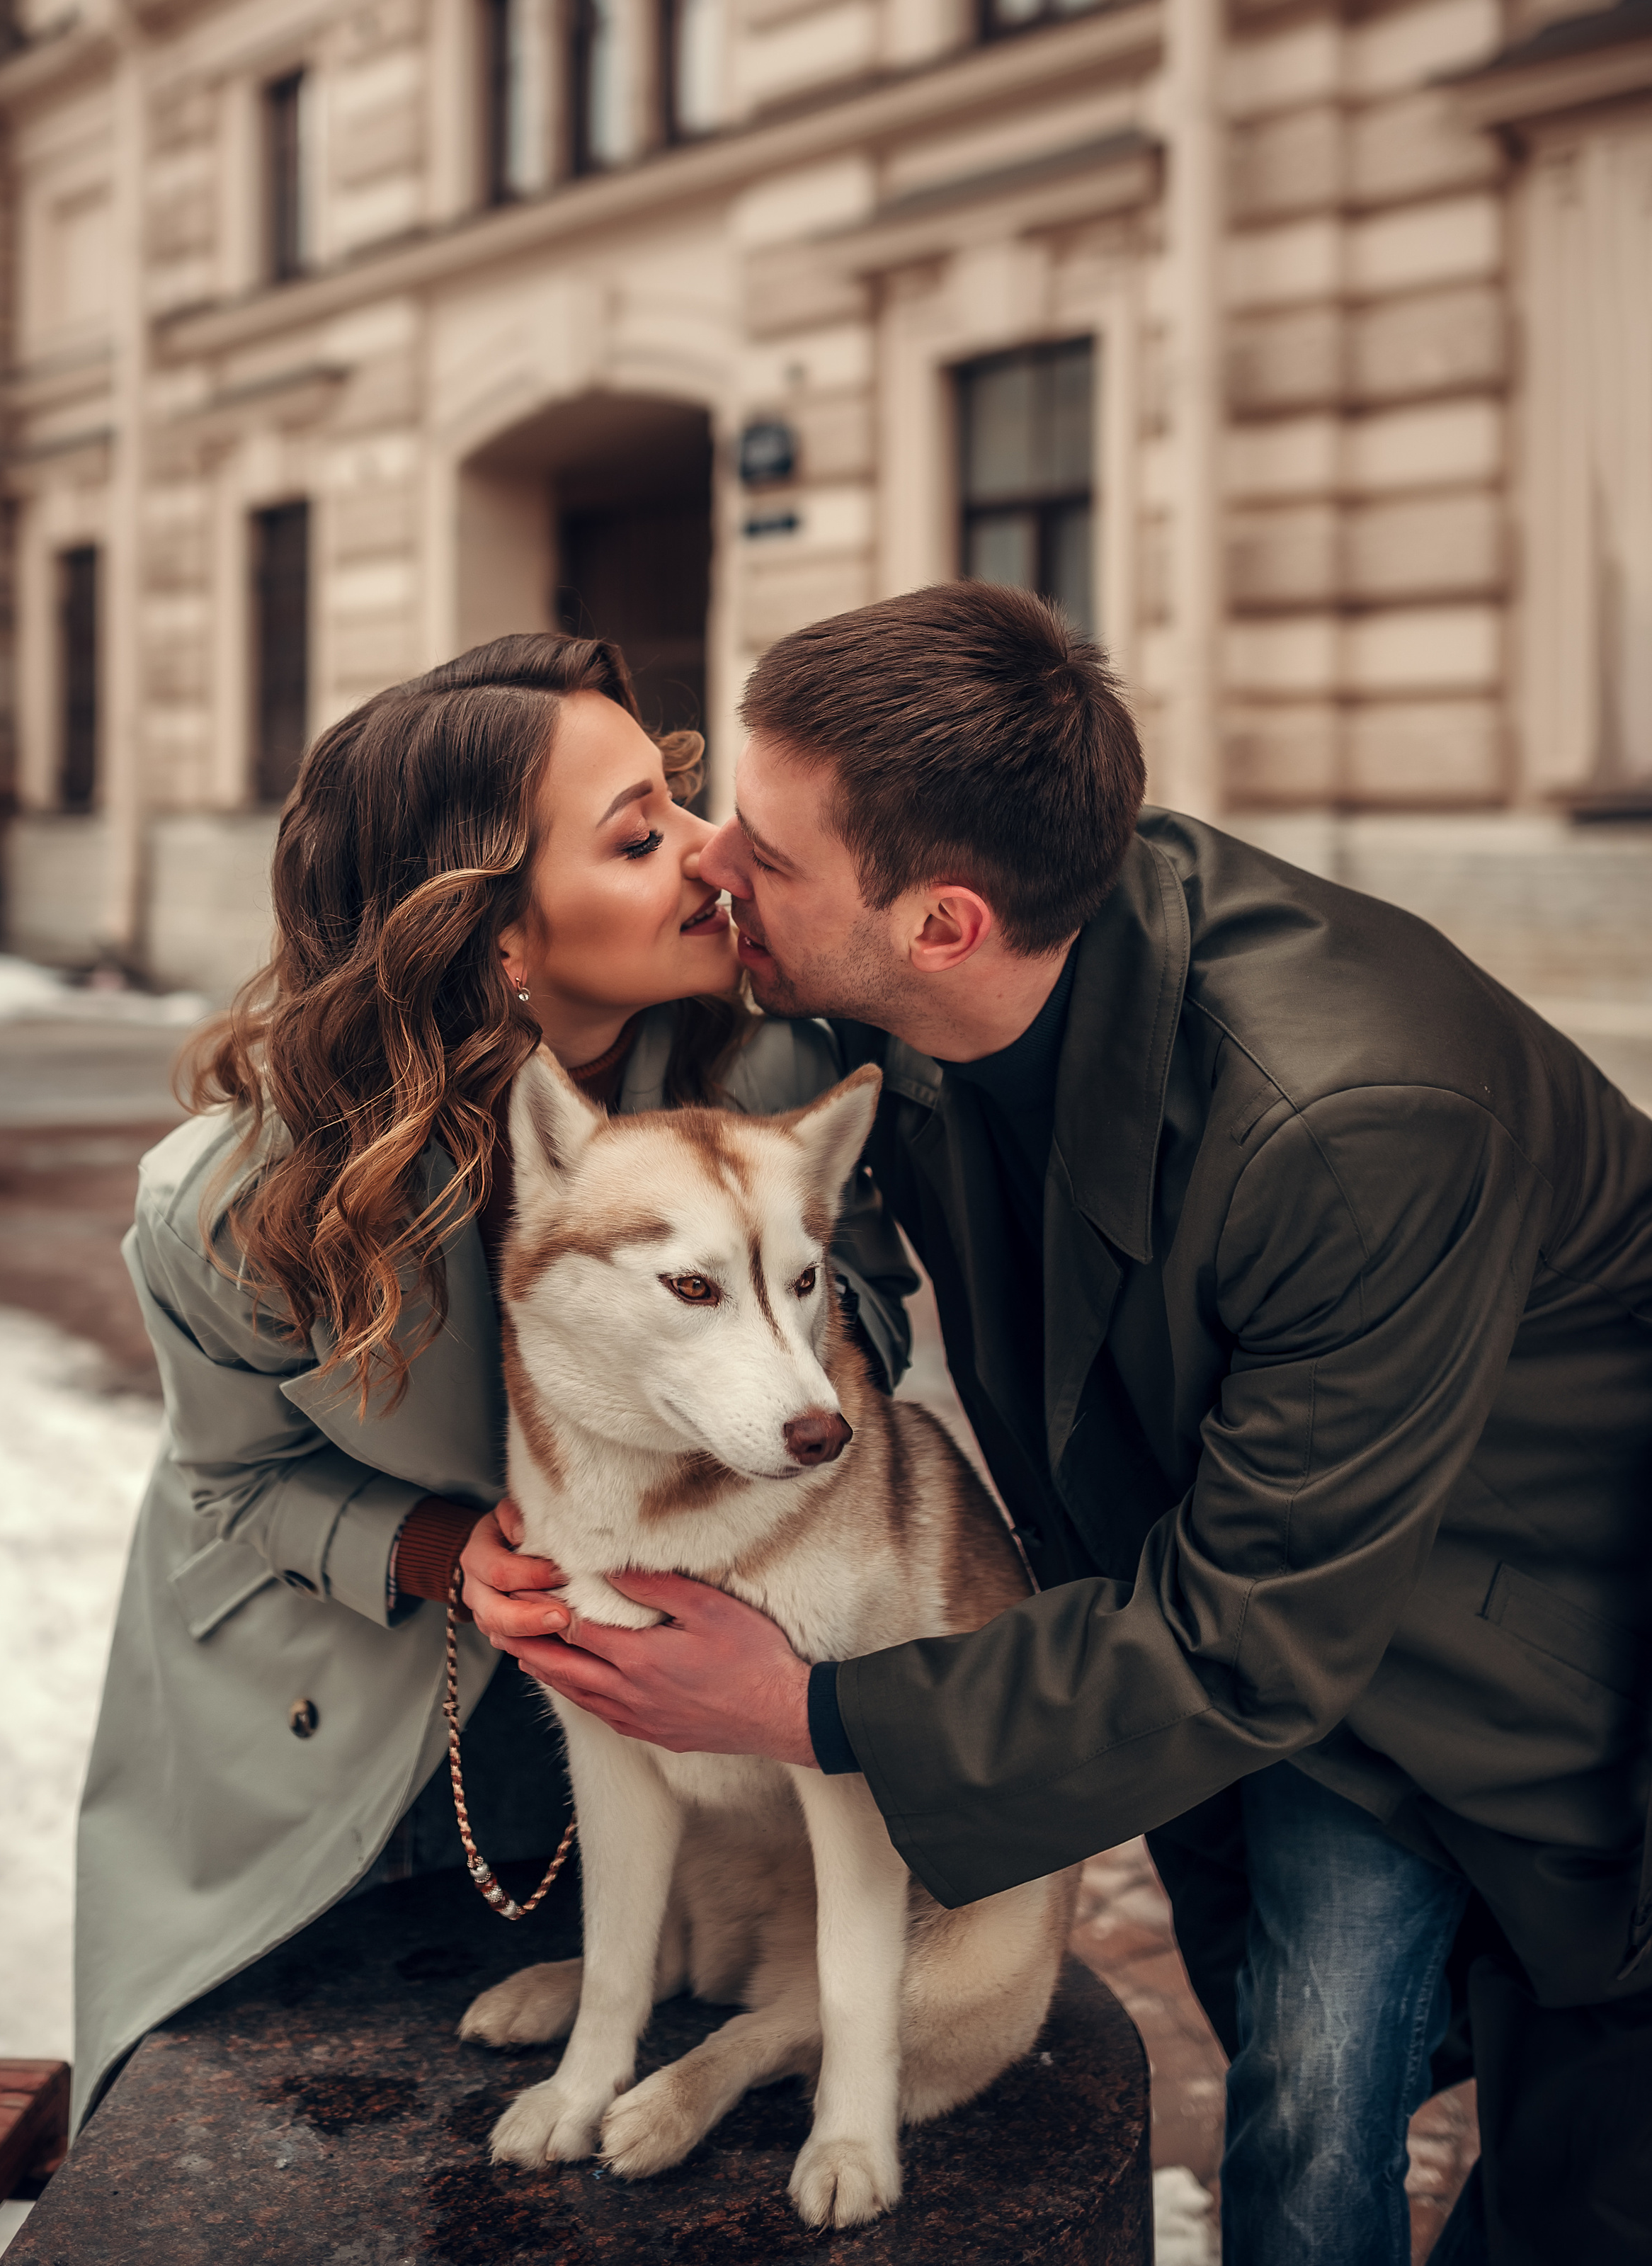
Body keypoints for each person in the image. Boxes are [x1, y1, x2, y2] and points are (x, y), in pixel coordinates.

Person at [465, 583, 1652, 2266]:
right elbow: (823, 1248)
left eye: (767, 848)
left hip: (1527, 1652)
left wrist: (815, 1704)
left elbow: (1254, 1635)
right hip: (1259, 1592)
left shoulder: (1346, 1120)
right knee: (1303, 2090)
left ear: (939, 922)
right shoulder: (925, 975)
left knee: (1582, 2172)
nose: (716, 859)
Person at [71, 632, 916, 2131]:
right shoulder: (234, 1200)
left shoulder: (770, 1073)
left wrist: (752, 1385)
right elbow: (232, 1477)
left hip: (650, 1707)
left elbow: (865, 1324)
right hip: (336, 1722)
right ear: (499, 938)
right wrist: (446, 1551)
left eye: (681, 806)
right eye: (640, 835)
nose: (711, 853)